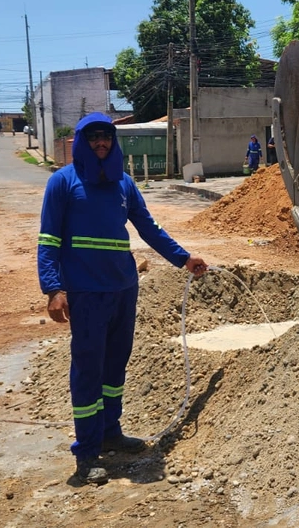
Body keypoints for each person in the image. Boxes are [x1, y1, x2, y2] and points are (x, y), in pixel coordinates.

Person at [37, 112, 208, 485]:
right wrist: (53, 289)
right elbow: (48, 240)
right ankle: (87, 450)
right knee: (88, 369)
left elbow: (148, 226)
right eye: (94, 137)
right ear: (82, 141)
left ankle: (111, 432)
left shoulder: (124, 184)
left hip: (123, 289)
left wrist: (183, 257)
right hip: (85, 292)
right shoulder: (63, 183)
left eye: (107, 137)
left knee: (115, 366)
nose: (101, 143)